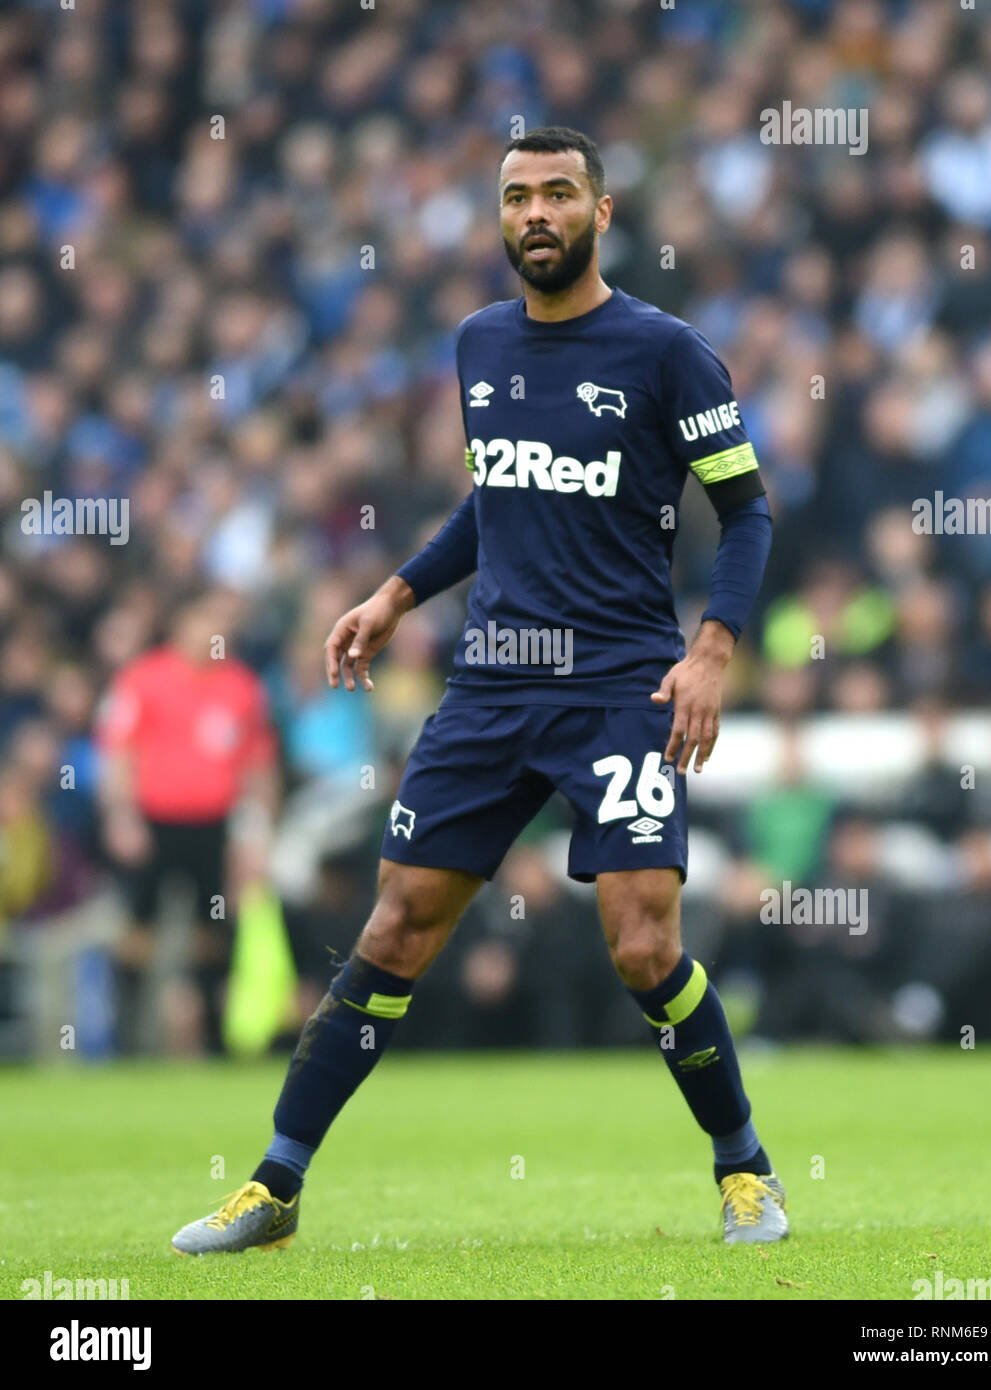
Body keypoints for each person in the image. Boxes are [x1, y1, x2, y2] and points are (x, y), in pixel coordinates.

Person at [172, 127, 783, 1253]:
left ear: (602, 214)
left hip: (617, 691)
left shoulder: (667, 352)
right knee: (397, 923)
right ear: (498, 218)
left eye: (559, 193)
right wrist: (397, 593)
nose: (536, 213)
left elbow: (745, 509)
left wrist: (714, 646)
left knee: (645, 946)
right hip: (492, 685)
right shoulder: (476, 344)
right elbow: (493, 501)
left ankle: (745, 1169)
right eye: (517, 197)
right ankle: (274, 1186)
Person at [97, 590, 279, 1055]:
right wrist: (122, 817)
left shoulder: (241, 686)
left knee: (213, 930)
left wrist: (256, 836)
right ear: (182, 624)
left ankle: (213, 1042)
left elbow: (258, 767)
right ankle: (125, 1041)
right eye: (207, 621)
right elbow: (119, 752)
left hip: (214, 827)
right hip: (155, 822)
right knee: (139, 930)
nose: (216, 632)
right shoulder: (144, 679)